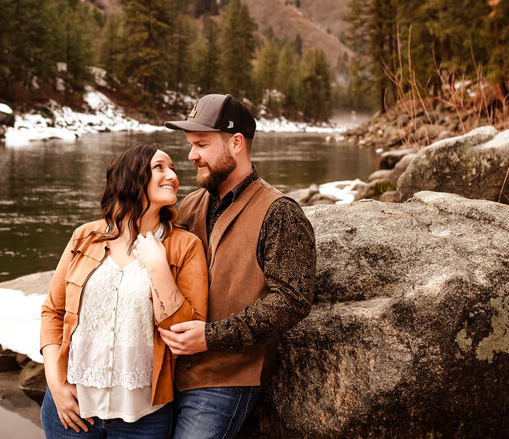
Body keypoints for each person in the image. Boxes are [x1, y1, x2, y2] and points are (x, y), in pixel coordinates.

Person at [160, 94, 317, 438]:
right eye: (190, 144)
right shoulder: (190, 204)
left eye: (201, 144)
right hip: (168, 371)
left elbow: (293, 299)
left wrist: (212, 337)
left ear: (236, 143)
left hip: (227, 378)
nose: (191, 155)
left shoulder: (281, 213)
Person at [39, 144, 209, 438]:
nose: (173, 175)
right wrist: (56, 384)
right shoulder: (85, 236)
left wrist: (159, 269)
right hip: (70, 407)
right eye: (160, 167)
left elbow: (185, 331)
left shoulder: (186, 245)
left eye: (173, 169)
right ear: (130, 176)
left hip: (144, 417)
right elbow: (52, 311)